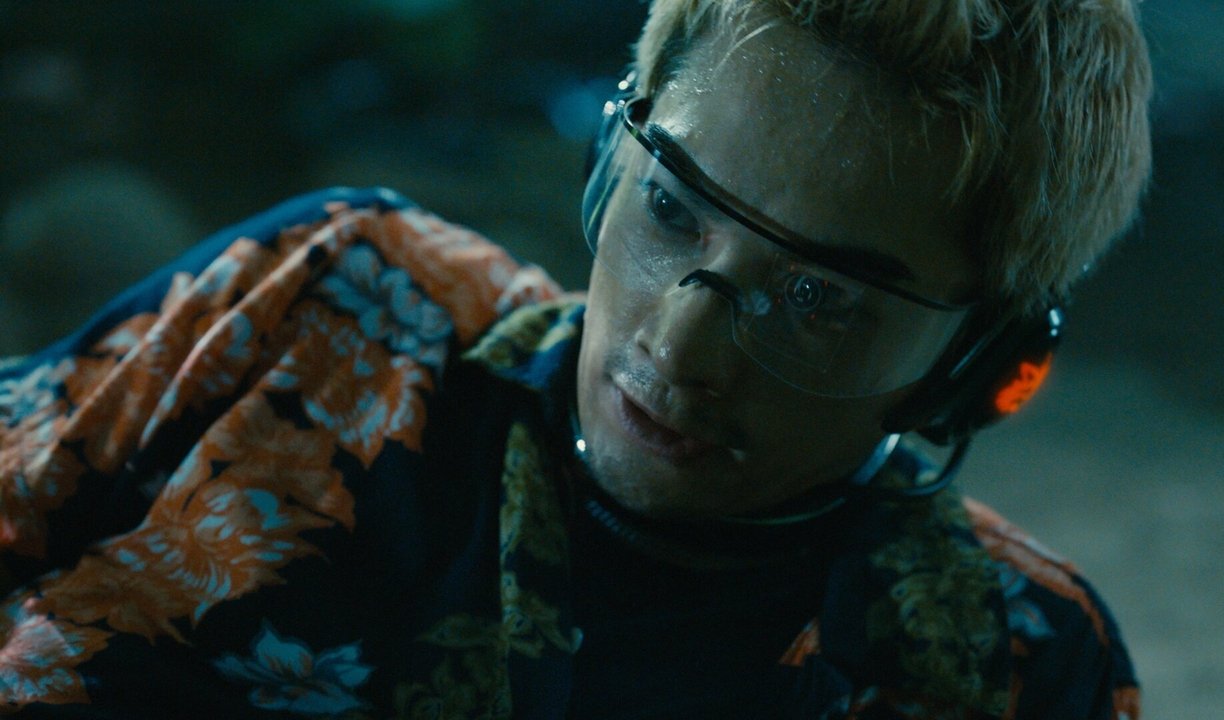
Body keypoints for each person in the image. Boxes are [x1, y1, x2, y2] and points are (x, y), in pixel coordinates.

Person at [0, 0, 1151, 717]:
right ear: (609, 163)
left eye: (819, 299)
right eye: (670, 207)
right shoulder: (330, 313)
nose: (679, 345)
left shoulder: (1014, 662)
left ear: (978, 365)